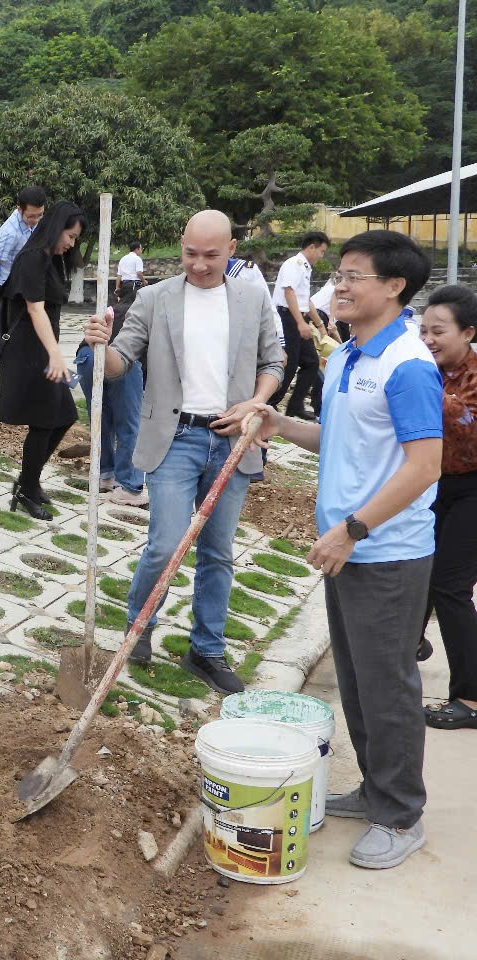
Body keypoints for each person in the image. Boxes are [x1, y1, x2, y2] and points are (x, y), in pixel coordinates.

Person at [250, 230, 440, 870]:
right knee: (357, 683)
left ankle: (401, 812)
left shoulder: (407, 365)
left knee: (387, 686)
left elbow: (425, 465)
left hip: (386, 550)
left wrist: (353, 528)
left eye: (355, 275)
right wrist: (278, 424)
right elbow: (338, 440)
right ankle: (376, 786)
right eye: (339, 273)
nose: (341, 284)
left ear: (394, 287)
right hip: (346, 548)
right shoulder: (349, 356)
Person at [83, 210, 283, 694]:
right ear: (181, 246)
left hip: (232, 441)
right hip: (175, 439)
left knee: (217, 552)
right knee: (165, 543)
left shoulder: (253, 298)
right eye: (190, 253)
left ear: (231, 249)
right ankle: (140, 627)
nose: (198, 264)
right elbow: (119, 363)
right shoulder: (156, 298)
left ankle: (206, 650)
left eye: (211, 255)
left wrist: (257, 402)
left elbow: (273, 361)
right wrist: (100, 345)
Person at [0, 200, 84, 520]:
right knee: (48, 419)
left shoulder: (51, 260)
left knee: (63, 415)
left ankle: (27, 482)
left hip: (41, 350)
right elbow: (34, 309)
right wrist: (56, 354)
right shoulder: (33, 258)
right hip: (27, 352)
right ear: (56, 228)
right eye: (70, 236)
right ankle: (27, 488)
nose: (71, 243)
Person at [416, 285, 477, 729]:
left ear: (468, 333)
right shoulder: (428, 369)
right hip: (438, 484)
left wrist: (422, 388)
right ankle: (409, 642)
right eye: (423, 331)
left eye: (439, 332)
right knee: (418, 567)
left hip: (474, 487)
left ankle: (471, 699)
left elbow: (466, 423)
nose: (429, 340)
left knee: (451, 587)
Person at [74, 283, 146, 505]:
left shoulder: (112, 308)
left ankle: (105, 475)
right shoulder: (146, 312)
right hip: (122, 360)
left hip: (87, 356)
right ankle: (129, 486)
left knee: (100, 417)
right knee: (129, 423)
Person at [269, 231, 329, 420]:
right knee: (289, 363)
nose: (321, 256)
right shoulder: (293, 264)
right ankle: (270, 401)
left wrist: (319, 324)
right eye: (321, 251)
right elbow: (289, 293)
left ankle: (295, 405)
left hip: (297, 317)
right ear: (311, 247)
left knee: (311, 362)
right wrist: (300, 322)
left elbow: (305, 300)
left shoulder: (305, 267)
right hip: (287, 318)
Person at [0, 185, 46, 286]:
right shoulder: (10, 233)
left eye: (40, 215)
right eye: (31, 216)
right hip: (8, 289)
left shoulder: (32, 222)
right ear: (20, 209)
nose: (36, 220)